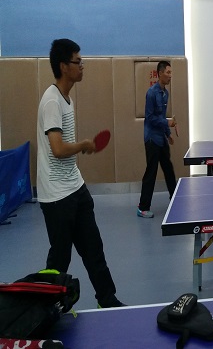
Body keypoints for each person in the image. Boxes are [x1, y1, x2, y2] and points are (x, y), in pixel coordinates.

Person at [37, 39, 124, 308]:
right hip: (56, 196)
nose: (82, 66)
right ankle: (46, 308)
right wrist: (83, 145)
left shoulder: (67, 99)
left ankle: (107, 300)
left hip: (75, 187)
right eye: (78, 61)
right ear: (64, 66)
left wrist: (80, 148)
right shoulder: (52, 101)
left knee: (93, 249)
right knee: (60, 259)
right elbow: (58, 149)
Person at [137, 60, 177, 218]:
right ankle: (142, 208)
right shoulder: (151, 93)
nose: (170, 75)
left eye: (171, 73)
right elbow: (150, 118)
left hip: (161, 138)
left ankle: (175, 200)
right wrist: (167, 123)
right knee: (151, 172)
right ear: (160, 73)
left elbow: (162, 116)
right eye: (168, 72)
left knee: (169, 169)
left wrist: (168, 133)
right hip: (152, 139)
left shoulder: (165, 93)